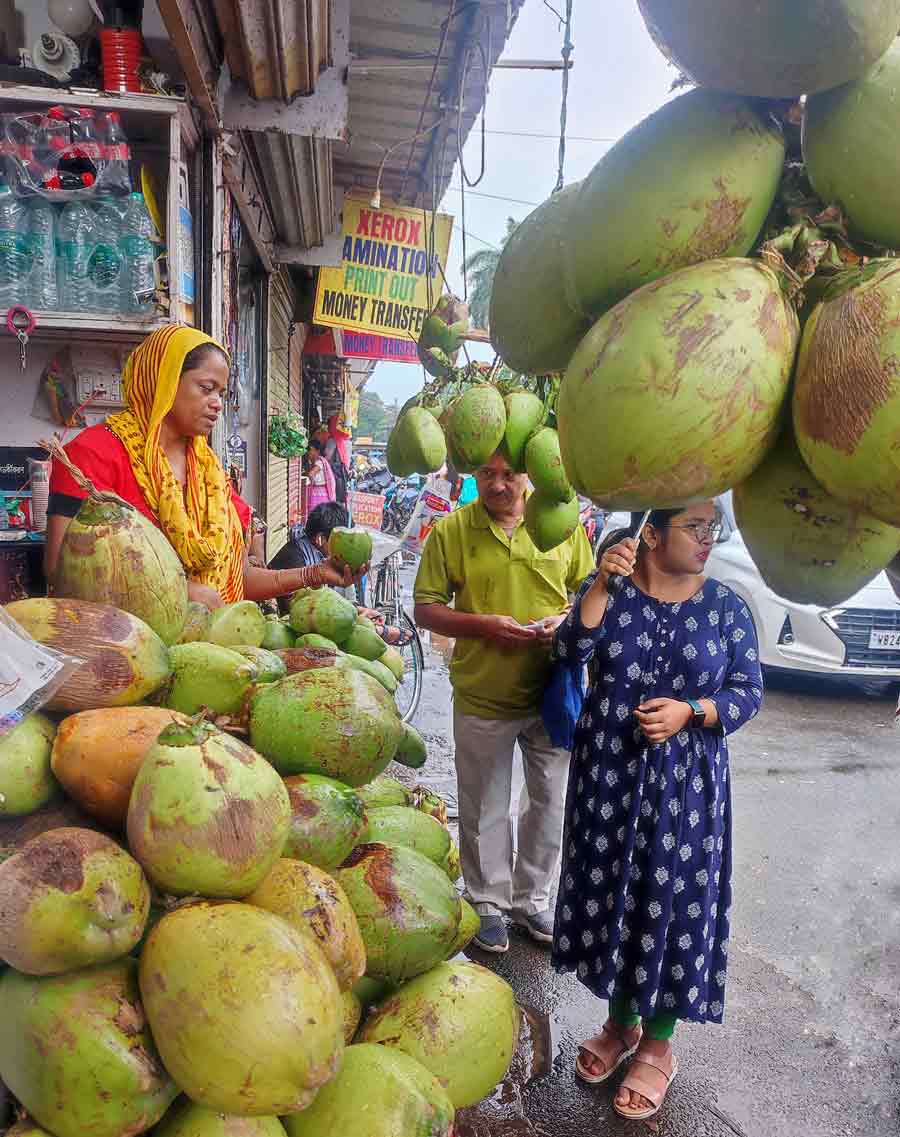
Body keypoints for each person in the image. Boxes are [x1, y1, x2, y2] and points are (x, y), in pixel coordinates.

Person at [551, 505, 763, 1122]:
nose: (708, 539)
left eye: (713, 528)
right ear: (651, 534)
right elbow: (570, 649)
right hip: (609, 783)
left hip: (686, 792)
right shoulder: (612, 594)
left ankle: (660, 1044)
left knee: (669, 906)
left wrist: (691, 711)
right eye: (695, 527)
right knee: (614, 895)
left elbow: (748, 692)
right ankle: (620, 1026)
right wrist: (598, 583)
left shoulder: (726, 607)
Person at [413, 449, 594, 953]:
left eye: (508, 474)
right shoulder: (452, 531)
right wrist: (483, 626)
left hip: (553, 693)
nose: (498, 485)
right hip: (484, 692)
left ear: (527, 475)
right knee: (484, 803)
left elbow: (588, 590)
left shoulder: (560, 520)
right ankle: (488, 899)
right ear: (473, 476)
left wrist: (565, 620)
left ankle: (532, 897)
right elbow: (426, 608)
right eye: (486, 474)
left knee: (550, 801)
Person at [45, 326, 362, 607]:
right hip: (124, 654)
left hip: (207, 652)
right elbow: (60, 570)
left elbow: (239, 580)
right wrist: (179, 591)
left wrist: (315, 573)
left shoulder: (211, 476)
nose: (218, 403)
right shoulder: (92, 454)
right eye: (206, 388)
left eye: (222, 393)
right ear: (163, 380)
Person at [270, 501, 410, 645]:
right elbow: (304, 614)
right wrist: (361, 621)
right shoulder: (294, 558)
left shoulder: (317, 555)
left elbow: (323, 602)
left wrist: (358, 611)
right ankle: (381, 633)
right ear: (320, 539)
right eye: (341, 539)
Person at [304, 438, 336, 514]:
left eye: (310, 449)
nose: (308, 452)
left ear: (317, 451)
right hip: (321, 493)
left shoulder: (319, 462)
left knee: (316, 515)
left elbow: (310, 474)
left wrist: (304, 474)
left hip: (318, 493)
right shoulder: (318, 462)